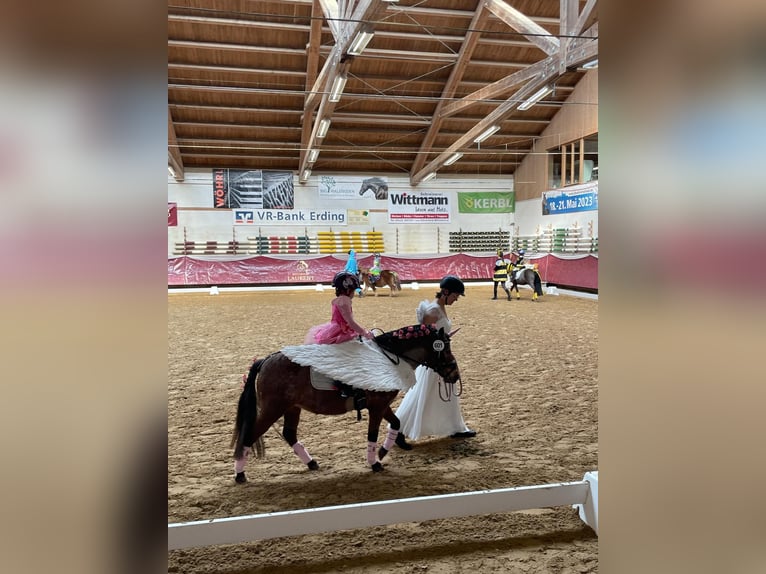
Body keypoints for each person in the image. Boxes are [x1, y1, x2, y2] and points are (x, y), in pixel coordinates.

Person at [393, 275, 475, 450]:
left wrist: (444, 341)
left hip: (441, 357)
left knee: (449, 392)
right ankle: (398, 430)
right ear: (445, 292)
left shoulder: (440, 308)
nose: (456, 299)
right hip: (433, 361)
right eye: (455, 295)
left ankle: (456, 427)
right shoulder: (433, 311)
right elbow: (424, 339)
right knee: (420, 394)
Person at [305, 271, 373, 412]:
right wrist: (365, 332)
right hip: (340, 331)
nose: (354, 293)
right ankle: (342, 383)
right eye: (354, 290)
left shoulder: (339, 300)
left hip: (339, 328)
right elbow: (351, 322)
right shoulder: (345, 301)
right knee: (349, 353)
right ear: (348, 289)